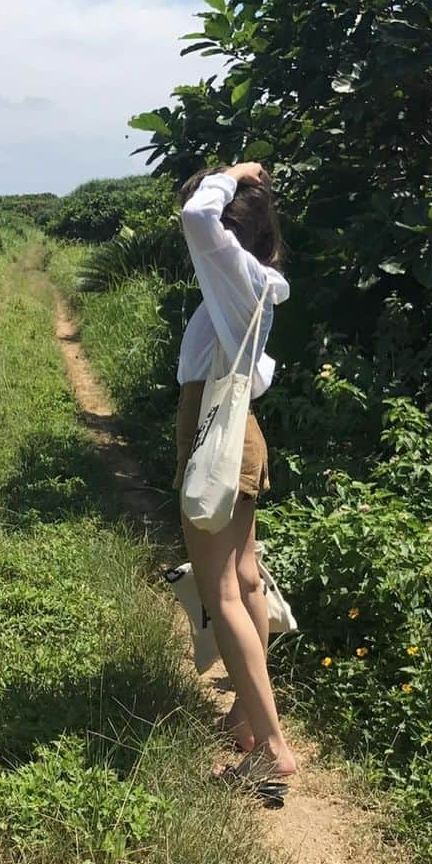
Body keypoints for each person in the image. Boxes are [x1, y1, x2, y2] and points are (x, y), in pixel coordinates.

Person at [174, 162, 297, 790]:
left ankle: (271, 748)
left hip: (214, 431)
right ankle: (249, 720)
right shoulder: (258, 283)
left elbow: (197, 216)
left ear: (230, 230)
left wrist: (229, 172)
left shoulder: (233, 274)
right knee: (244, 580)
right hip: (238, 431)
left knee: (221, 590)